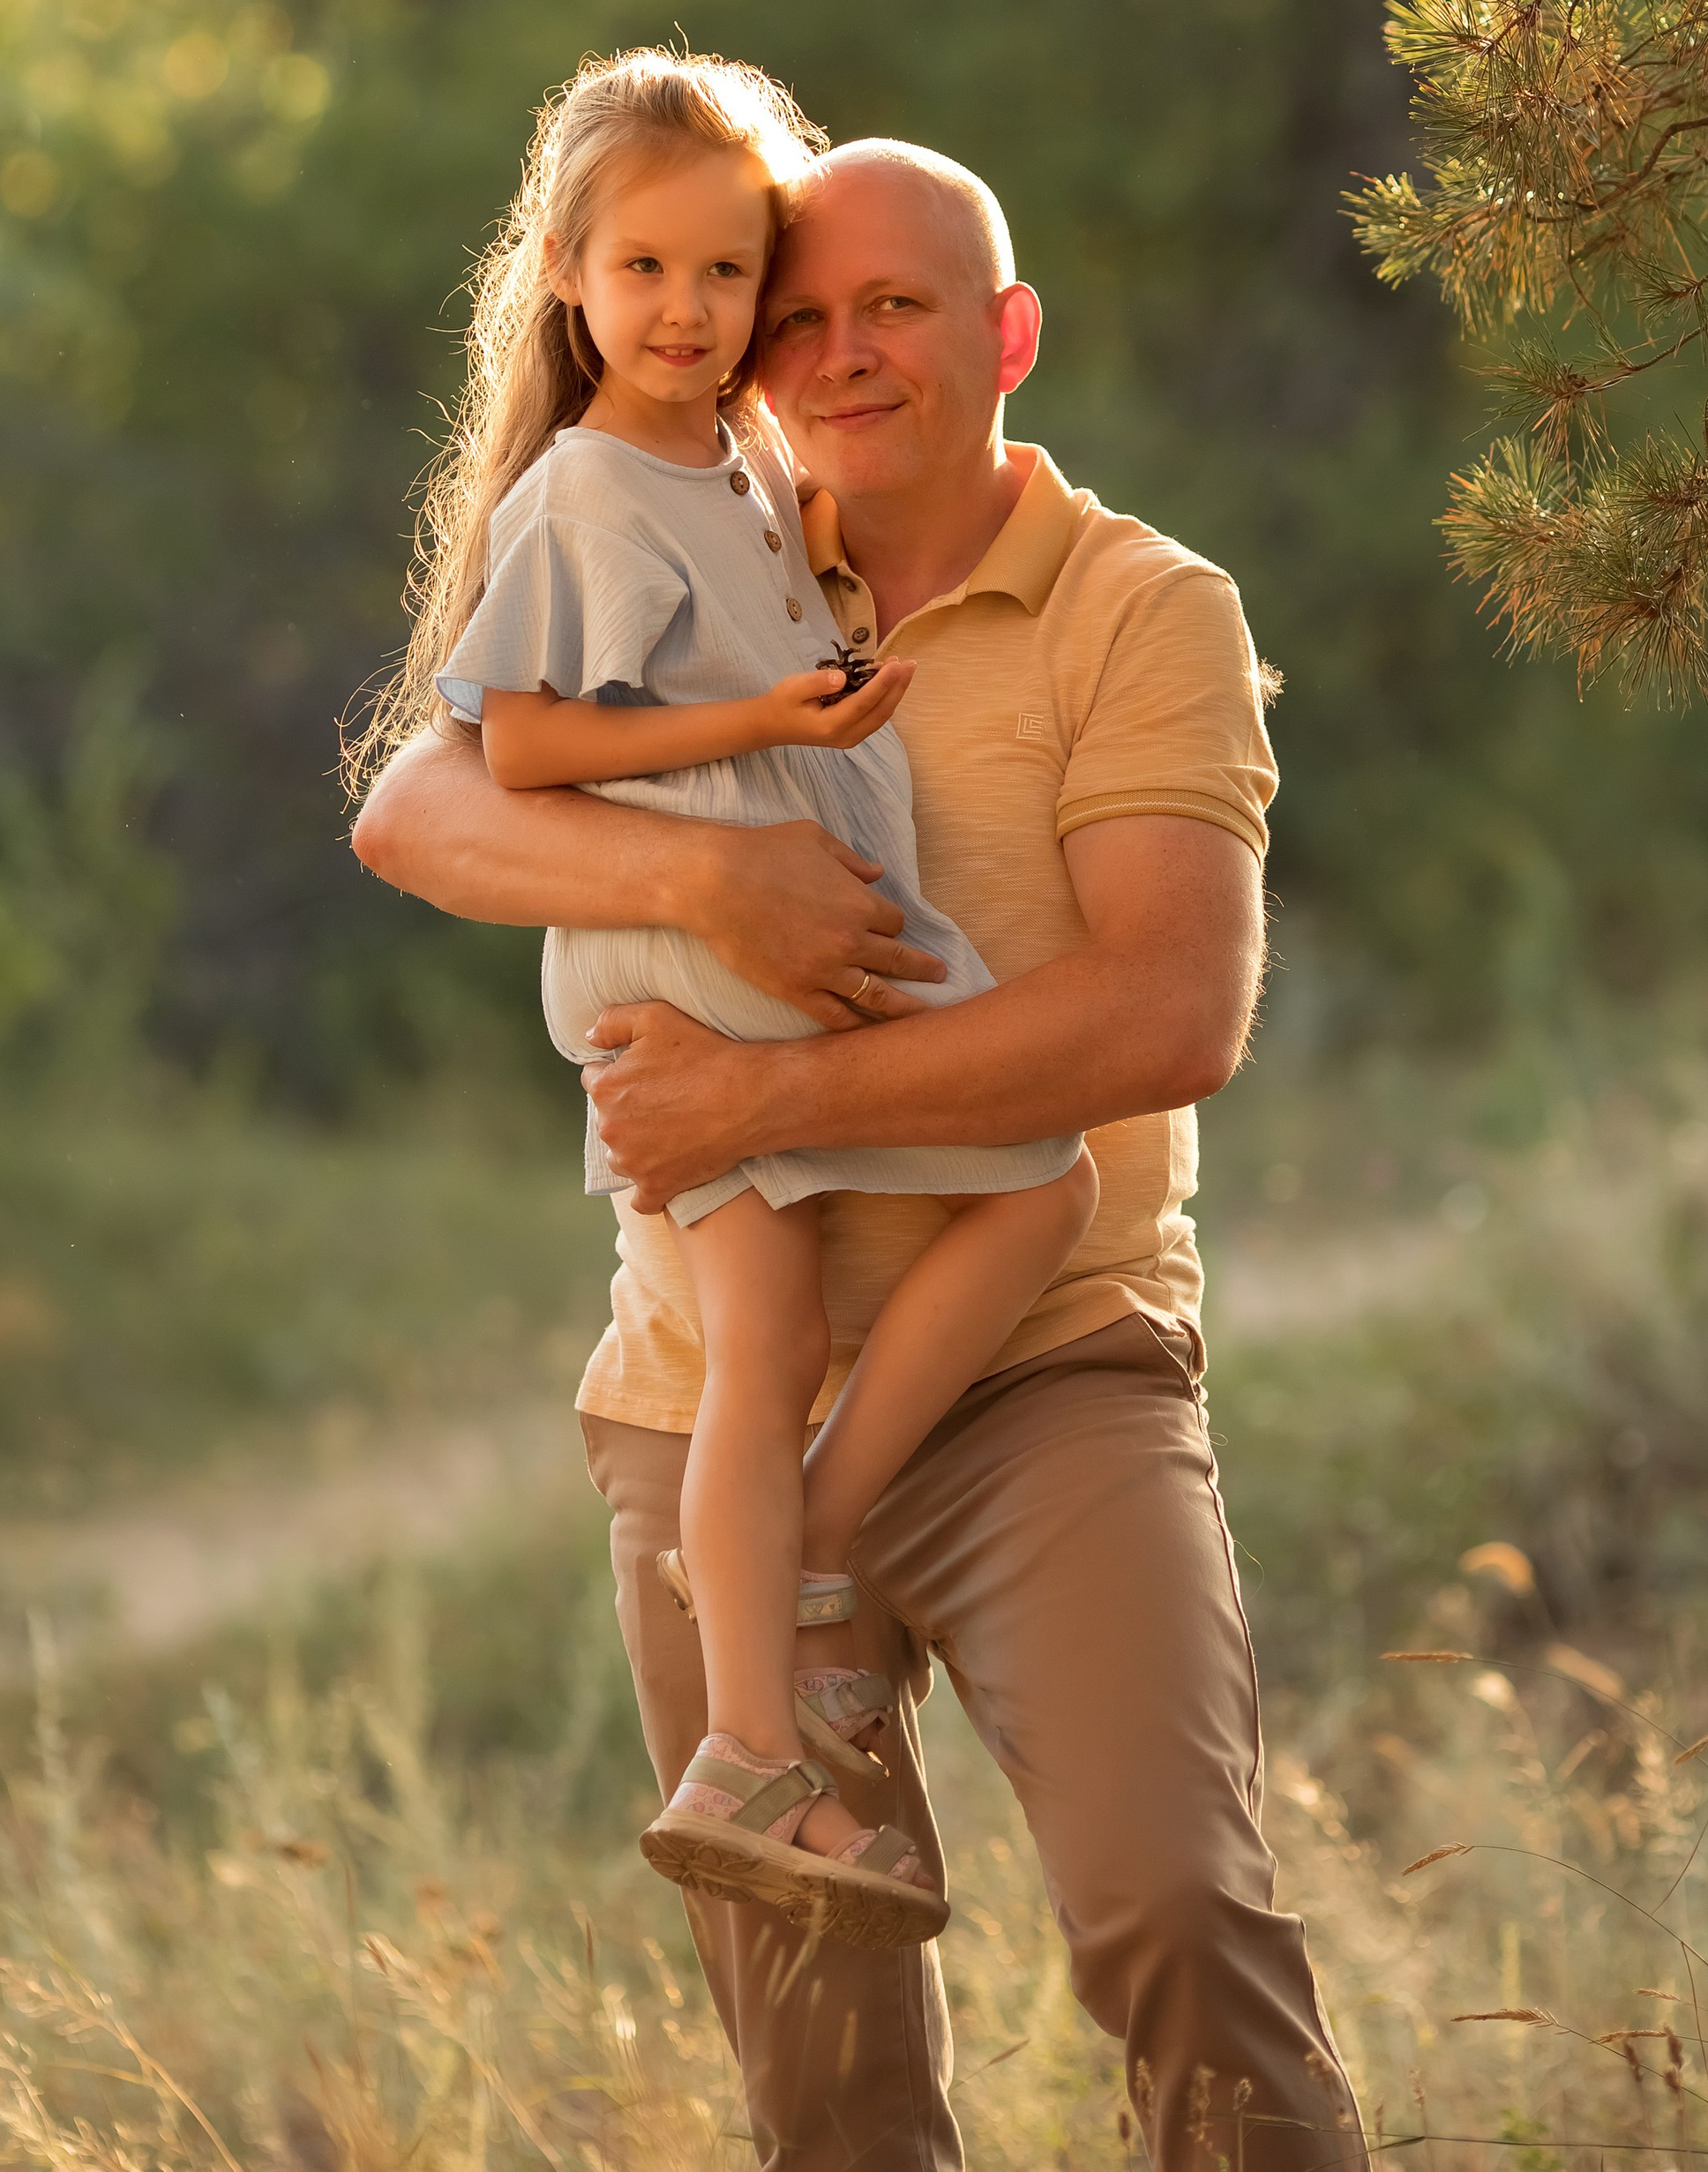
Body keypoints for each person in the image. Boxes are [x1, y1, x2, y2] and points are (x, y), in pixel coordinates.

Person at [353, 121, 1370, 2172]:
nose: (834, 353)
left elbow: (1171, 1015)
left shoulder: (1135, 607)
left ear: (1003, 332)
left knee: (1179, 1921)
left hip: (1041, 1382)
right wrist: (710, 892)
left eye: (890, 307)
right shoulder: (701, 538)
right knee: (823, 2081)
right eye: (794, 314)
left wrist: (772, 1094)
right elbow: (417, 813)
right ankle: (781, 1580)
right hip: (705, 1387)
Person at [361, 47, 1098, 1951]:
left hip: (775, 928)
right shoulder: (591, 494)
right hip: (715, 966)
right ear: (563, 276)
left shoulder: (744, 464)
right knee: (1021, 1200)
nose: (688, 314)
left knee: (781, 1352)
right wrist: (770, 725)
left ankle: (756, 1730)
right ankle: (789, 1664)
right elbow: (513, 743)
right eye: (644, 274)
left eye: (724, 280)